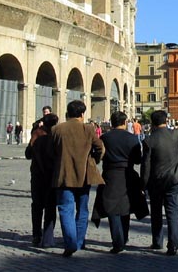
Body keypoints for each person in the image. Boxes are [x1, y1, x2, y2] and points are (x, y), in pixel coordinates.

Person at [50, 100, 105, 257]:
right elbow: (100, 147)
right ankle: (79, 242)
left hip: (63, 174)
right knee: (82, 209)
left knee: (65, 209)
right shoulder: (88, 129)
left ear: (68, 113)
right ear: (82, 114)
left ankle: (70, 242)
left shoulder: (57, 129)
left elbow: (50, 151)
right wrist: (94, 159)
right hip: (84, 175)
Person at [92, 110, 144, 253]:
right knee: (125, 207)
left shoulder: (105, 137)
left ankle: (117, 241)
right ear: (124, 122)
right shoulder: (132, 138)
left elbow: (98, 155)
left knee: (112, 208)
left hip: (110, 175)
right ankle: (124, 237)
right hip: (128, 175)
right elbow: (138, 160)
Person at [141, 109, 178, 256]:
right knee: (173, 211)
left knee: (156, 212)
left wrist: (143, 184)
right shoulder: (174, 135)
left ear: (152, 123)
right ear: (166, 121)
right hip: (174, 179)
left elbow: (146, 165)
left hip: (156, 180)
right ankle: (173, 245)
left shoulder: (148, 140)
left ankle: (157, 241)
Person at [26, 112, 59, 247]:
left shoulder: (37, 134)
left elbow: (28, 154)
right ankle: (47, 238)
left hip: (37, 175)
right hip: (52, 176)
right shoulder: (56, 137)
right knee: (51, 207)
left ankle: (36, 235)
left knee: (37, 206)